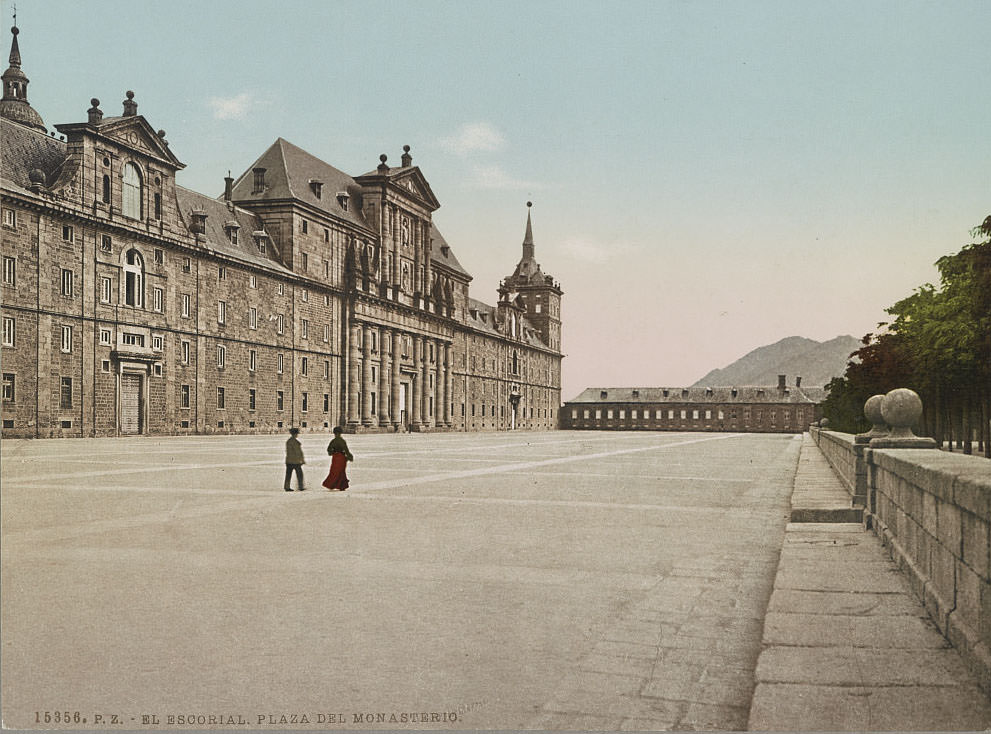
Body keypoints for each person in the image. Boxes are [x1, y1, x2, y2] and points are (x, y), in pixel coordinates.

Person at [322, 426, 353, 491]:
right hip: (342, 457)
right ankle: (342, 485)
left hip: (335, 457)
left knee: (334, 471)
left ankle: (331, 484)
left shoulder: (333, 441)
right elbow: (346, 450)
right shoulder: (342, 441)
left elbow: (329, 449)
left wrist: (332, 452)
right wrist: (349, 456)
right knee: (341, 472)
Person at [284, 427, 305, 492]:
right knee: (300, 474)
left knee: (288, 475)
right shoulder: (295, 442)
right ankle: (300, 486)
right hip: (295, 461)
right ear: (295, 434)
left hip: (289, 460)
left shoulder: (289, 441)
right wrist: (301, 460)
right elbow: (298, 452)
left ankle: (286, 487)